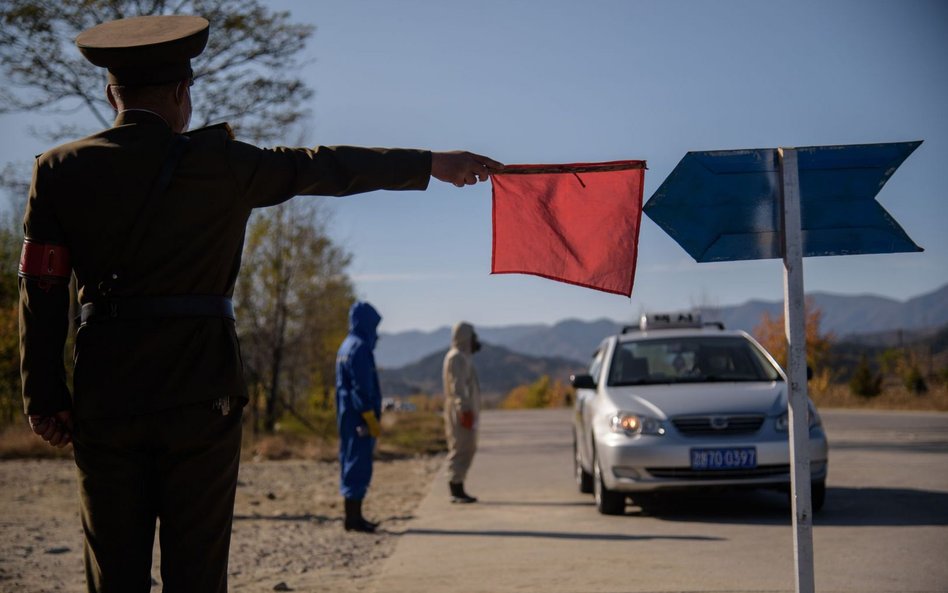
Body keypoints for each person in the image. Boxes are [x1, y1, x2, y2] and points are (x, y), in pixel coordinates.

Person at [17, 14, 501, 593]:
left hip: (106, 393)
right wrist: (430, 163)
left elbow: (40, 291)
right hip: (204, 394)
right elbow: (326, 167)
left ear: (109, 91)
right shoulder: (224, 165)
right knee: (197, 571)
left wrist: (44, 397)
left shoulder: (59, 170)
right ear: (181, 92)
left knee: (114, 573)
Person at [335, 301, 384, 533]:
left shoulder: (346, 346)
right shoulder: (360, 348)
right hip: (359, 417)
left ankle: (353, 516)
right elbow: (362, 386)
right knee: (358, 463)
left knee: (348, 460)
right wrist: (370, 418)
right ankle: (353, 519)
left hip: (346, 415)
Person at [442, 321, 482, 503]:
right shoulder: (456, 357)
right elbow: (457, 386)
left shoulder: (463, 357)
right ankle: (455, 487)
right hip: (460, 410)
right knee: (460, 446)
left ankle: (459, 484)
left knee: (468, 446)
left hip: (465, 409)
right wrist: (463, 409)